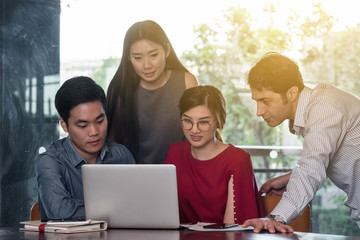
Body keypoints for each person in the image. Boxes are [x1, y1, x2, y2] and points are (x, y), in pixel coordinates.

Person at [242, 52, 360, 233]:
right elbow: (325, 158)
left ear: (291, 93)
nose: (259, 111)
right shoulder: (317, 107)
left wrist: (275, 218)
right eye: (257, 102)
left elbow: (312, 168)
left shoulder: (323, 108)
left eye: (265, 101)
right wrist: (291, 177)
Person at [35, 76, 135, 221]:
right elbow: (59, 210)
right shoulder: (49, 160)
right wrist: (117, 208)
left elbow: (139, 205)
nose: (94, 132)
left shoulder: (121, 155)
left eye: (100, 121)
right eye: (83, 125)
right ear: (64, 125)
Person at [164, 85, 264, 225]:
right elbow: (163, 212)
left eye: (203, 122)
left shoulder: (237, 160)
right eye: (187, 121)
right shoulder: (174, 152)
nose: (194, 130)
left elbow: (234, 228)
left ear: (219, 121)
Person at [106, 20, 198, 164]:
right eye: (138, 58)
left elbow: (198, 135)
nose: (147, 65)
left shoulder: (187, 82)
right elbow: (111, 146)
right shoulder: (119, 89)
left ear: (166, 50)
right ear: (129, 58)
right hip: (132, 176)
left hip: (181, 173)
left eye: (153, 55)